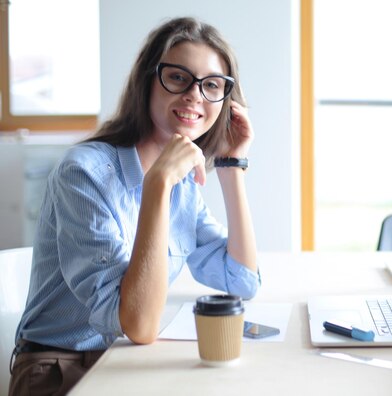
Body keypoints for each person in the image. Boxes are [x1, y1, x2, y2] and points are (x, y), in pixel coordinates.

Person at [9, 17, 260, 395]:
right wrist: (157, 184)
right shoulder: (86, 174)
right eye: (178, 78)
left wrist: (230, 166)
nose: (195, 95)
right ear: (147, 82)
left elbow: (242, 281)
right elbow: (138, 325)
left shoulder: (186, 184)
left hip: (129, 362)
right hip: (63, 371)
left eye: (211, 85)